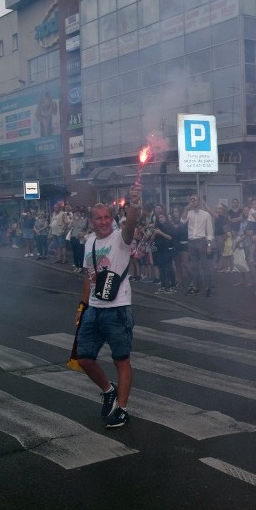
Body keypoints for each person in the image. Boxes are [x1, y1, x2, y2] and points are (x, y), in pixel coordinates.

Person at [75, 183, 142, 429]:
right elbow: (87, 275)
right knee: (84, 358)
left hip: (118, 308)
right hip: (93, 308)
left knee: (121, 360)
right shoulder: (89, 242)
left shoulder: (120, 238)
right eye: (98, 218)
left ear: (112, 218)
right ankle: (107, 390)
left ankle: (122, 409)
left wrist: (134, 204)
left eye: (107, 217)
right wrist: (82, 307)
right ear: (91, 221)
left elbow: (131, 225)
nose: (103, 222)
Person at [181, 193, 215, 296]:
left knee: (205, 266)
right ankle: (196, 287)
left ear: (199, 201)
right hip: (191, 241)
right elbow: (182, 221)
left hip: (201, 241)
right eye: (191, 199)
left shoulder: (206, 214)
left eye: (195, 199)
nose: (193, 201)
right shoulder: (189, 213)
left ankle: (208, 287)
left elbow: (209, 230)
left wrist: (209, 245)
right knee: (194, 266)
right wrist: (186, 208)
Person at [151, 212, 177, 293]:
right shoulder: (157, 227)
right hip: (159, 249)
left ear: (165, 217)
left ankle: (172, 285)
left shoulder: (169, 227)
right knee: (161, 268)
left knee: (168, 267)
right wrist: (155, 234)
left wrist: (160, 233)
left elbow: (170, 238)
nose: (160, 219)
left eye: (162, 217)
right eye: (159, 218)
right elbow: (151, 239)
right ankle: (163, 285)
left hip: (167, 249)